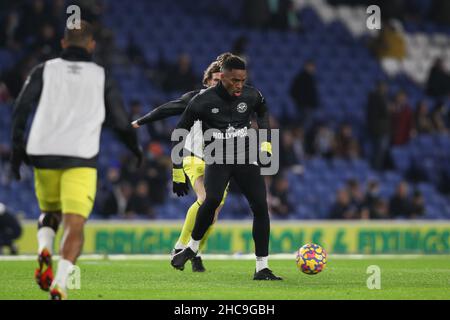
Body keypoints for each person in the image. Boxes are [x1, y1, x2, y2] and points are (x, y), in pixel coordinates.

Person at [10, 21, 142, 300]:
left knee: (50, 212)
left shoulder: (44, 70)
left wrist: (16, 150)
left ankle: (44, 247)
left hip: (42, 153)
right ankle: (60, 283)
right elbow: (119, 120)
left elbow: (21, 107)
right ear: (92, 45)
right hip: (80, 156)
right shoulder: (100, 75)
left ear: (63, 43)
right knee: (75, 223)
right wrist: (135, 148)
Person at [169, 54, 282, 280]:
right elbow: (179, 133)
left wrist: (267, 145)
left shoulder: (252, 94)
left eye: (242, 80)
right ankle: (191, 247)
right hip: (217, 158)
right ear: (222, 77)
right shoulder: (202, 101)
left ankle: (262, 268)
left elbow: (263, 113)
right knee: (211, 200)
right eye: (234, 80)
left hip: (244, 158)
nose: (239, 85)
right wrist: (177, 171)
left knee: (261, 207)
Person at [132, 54, 231, 272]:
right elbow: (167, 108)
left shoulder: (232, 103)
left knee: (213, 214)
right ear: (207, 82)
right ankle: (179, 247)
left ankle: (195, 252)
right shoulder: (195, 99)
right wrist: (141, 121)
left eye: (221, 81)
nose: (218, 84)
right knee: (205, 199)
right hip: (193, 156)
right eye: (214, 81)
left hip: (220, 161)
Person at [289, 60, 318, 125]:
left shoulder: (311, 78)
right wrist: (300, 101)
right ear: (306, 66)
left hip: (308, 106)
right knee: (304, 124)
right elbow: (293, 91)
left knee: (306, 123)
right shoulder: (301, 78)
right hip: (304, 106)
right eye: (311, 66)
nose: (313, 68)